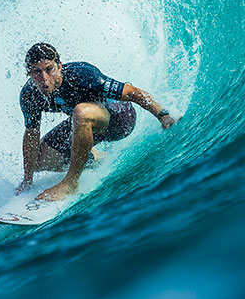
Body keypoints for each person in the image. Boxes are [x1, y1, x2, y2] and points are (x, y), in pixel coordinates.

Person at [17, 42, 179, 201]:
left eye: (49, 69)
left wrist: (163, 115)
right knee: (38, 160)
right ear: (29, 73)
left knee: (80, 112)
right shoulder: (30, 95)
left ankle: (70, 184)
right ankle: (93, 159)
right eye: (37, 72)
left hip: (118, 119)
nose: (44, 78)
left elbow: (132, 93)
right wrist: (27, 180)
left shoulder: (82, 75)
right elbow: (31, 134)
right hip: (83, 121)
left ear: (59, 66)